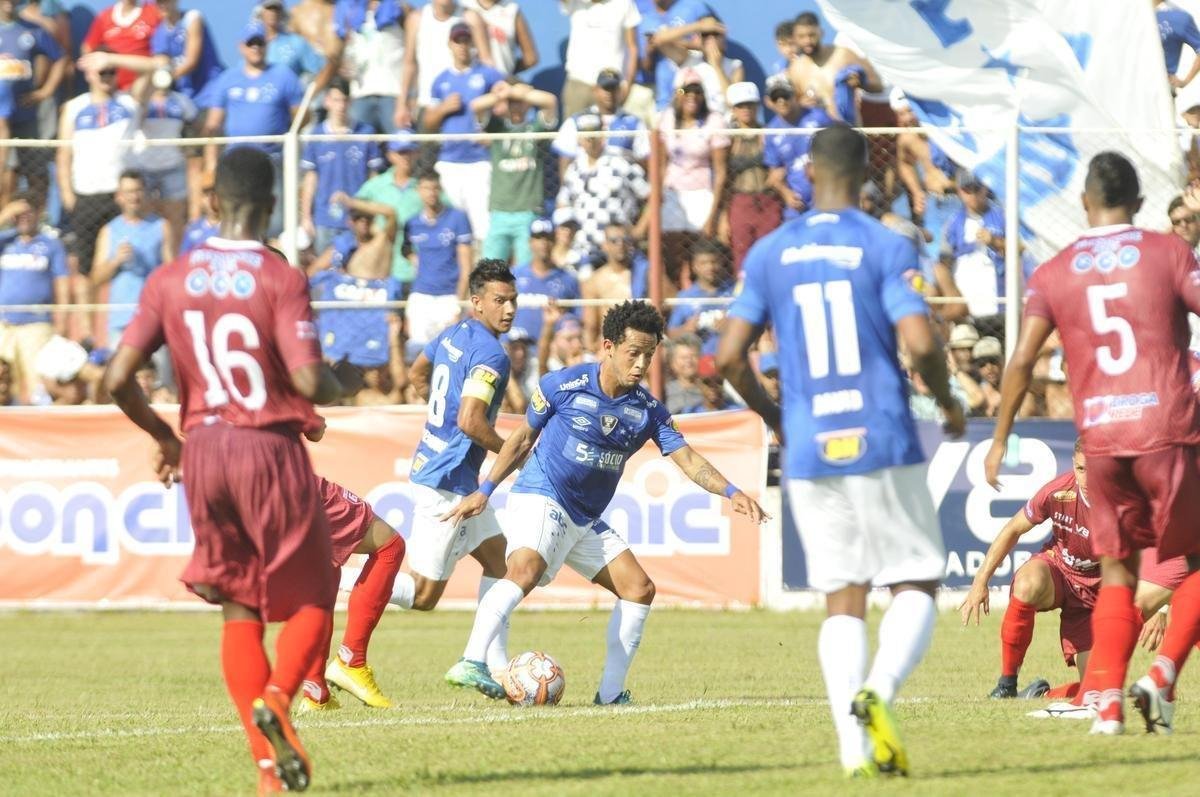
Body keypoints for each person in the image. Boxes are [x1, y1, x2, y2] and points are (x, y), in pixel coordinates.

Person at [102, 146, 358, 794]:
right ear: (271, 207)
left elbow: (114, 378)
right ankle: (278, 695)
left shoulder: (169, 276)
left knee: (238, 609)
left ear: (211, 202)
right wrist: (342, 381)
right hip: (266, 447)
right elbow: (306, 377)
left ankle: (269, 775)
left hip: (205, 451)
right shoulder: (279, 276)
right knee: (313, 599)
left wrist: (167, 434)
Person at [717, 125, 966, 777]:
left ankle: (851, 753)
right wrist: (946, 402)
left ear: (807, 172)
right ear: (865, 173)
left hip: (811, 449)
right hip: (882, 432)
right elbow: (921, 338)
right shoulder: (883, 242)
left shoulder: (770, 253)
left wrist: (777, 416)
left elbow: (726, 356)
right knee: (916, 578)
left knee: (843, 596)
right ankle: (879, 690)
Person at [441, 299, 768, 701]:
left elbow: (687, 458)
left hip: (583, 516)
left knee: (639, 588)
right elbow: (521, 439)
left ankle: (611, 695)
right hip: (542, 494)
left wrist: (732, 491)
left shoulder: (648, 410)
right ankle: (472, 660)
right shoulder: (562, 385)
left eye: (648, 355)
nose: (641, 364)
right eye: (634, 353)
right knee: (524, 569)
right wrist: (485, 490)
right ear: (608, 346)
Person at [983, 150, 1200, 736]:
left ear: (1084, 203)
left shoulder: (1053, 271)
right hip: (1167, 427)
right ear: (1141, 202)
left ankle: (1105, 701)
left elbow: (1023, 358)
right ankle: (1161, 676)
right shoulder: (1168, 252)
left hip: (1101, 440)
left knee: (1117, 571)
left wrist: (999, 438)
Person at [962, 441, 1185, 708]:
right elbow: (1013, 529)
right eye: (1080, 468)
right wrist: (980, 581)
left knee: (1097, 688)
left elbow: (1169, 550)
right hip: (1060, 573)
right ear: (1073, 465)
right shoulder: (1058, 491)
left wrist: (1161, 609)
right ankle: (1006, 684)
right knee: (1027, 584)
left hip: (1100, 596)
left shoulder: (1127, 501)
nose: (1087, 477)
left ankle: (1041, 695)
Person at [382, 261, 517, 676]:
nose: (509, 309)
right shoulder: (492, 354)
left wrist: (436, 416)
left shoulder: (453, 332)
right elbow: (470, 422)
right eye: (500, 301)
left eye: (513, 300)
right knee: (423, 596)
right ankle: (331, 580)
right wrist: (511, 449)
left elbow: (417, 373)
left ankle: (490, 666)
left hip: (443, 471)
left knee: (502, 565)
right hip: (447, 482)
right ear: (477, 302)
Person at [298, 470, 406, 712]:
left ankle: (316, 693)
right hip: (282, 479)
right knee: (390, 546)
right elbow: (314, 430)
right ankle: (351, 660)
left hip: (243, 493)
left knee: (323, 570)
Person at [200, 21, 305, 239]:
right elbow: (213, 124)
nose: (255, 48)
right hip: (235, 160)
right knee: (233, 213)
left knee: (274, 219)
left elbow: (301, 114)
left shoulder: (283, 75)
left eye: (259, 43)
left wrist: (286, 134)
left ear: (266, 45)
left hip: (272, 159)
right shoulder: (228, 79)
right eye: (251, 44)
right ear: (241, 47)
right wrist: (210, 162)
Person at [57, 56, 136, 332]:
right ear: (89, 73)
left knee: (125, 261)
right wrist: (68, 194)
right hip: (86, 194)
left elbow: (158, 67)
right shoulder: (74, 107)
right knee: (84, 268)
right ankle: (88, 332)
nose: (107, 76)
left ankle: (123, 324)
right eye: (101, 71)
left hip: (120, 196)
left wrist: (111, 58)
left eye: (112, 71)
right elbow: (63, 154)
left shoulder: (128, 104)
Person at [424, 22, 505, 242]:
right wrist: (443, 108)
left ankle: (484, 273)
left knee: (483, 226)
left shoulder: (488, 75)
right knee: (452, 225)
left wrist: (491, 130)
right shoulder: (441, 81)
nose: (462, 46)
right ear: (449, 44)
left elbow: (507, 101)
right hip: (449, 159)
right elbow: (428, 122)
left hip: (479, 160)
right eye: (457, 41)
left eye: (466, 41)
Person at [474, 78, 556, 266]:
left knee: (525, 270)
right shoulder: (497, 128)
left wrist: (521, 93)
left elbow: (550, 101)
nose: (516, 107)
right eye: (511, 103)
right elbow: (476, 106)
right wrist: (504, 93)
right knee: (490, 271)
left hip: (528, 211)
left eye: (519, 102)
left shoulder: (535, 128)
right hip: (499, 212)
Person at [301, 77, 384, 255]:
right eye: (336, 100)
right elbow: (310, 179)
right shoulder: (316, 135)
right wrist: (306, 216)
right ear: (327, 101)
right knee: (324, 274)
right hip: (324, 219)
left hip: (357, 220)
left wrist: (372, 213)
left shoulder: (365, 133)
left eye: (344, 100)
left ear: (351, 102)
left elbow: (374, 178)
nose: (341, 106)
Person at [355, 131, 449, 287]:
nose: (406, 156)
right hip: (383, 263)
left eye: (410, 151)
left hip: (416, 262)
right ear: (390, 155)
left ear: (417, 153)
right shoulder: (376, 185)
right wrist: (372, 232)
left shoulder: (425, 186)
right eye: (401, 152)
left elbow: (447, 208)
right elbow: (356, 212)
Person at [658, 69, 728, 280]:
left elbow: (722, 170)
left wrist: (715, 212)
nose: (692, 97)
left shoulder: (714, 120)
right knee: (672, 253)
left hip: (702, 191)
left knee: (703, 250)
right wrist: (659, 196)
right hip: (672, 192)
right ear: (677, 93)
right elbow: (661, 163)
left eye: (697, 91)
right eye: (686, 91)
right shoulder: (667, 118)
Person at [91, 169, 173, 346]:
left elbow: (171, 273)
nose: (134, 197)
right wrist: (115, 261)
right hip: (120, 319)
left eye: (138, 191)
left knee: (159, 372)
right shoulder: (109, 231)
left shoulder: (161, 227)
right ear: (118, 197)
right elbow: (96, 278)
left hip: (153, 316)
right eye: (128, 192)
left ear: (145, 193)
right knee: (120, 373)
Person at [0, 194, 68, 404]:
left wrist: (63, 322)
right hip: (3, 324)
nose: (24, 218)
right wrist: (4, 215)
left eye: (29, 213)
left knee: (36, 385)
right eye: (19, 214)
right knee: (4, 382)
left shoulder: (51, 245)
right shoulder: (5, 241)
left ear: (39, 214)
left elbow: (62, 283)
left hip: (36, 325)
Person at [557, 112, 651, 260]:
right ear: (579, 138)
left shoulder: (621, 162)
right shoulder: (574, 169)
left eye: (594, 132)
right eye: (585, 134)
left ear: (603, 134)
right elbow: (562, 204)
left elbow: (652, 197)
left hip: (618, 249)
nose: (590, 138)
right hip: (583, 249)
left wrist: (639, 230)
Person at [403, 170, 473, 348]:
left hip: (449, 296)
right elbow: (405, 249)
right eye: (426, 188)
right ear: (418, 190)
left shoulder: (457, 218)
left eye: (435, 188)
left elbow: (466, 266)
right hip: (422, 296)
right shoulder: (412, 223)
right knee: (417, 351)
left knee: (450, 352)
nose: (431, 193)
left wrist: (459, 304)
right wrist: (416, 262)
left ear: (440, 189)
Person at [399, 0, 491, 129]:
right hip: (427, 105)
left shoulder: (471, 17)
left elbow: (486, 60)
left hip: (466, 106)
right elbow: (409, 64)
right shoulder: (416, 19)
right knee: (427, 148)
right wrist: (401, 104)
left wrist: (493, 96)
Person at [933, 170, 1006, 332]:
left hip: (997, 304)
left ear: (985, 189)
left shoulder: (1002, 217)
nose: (972, 195)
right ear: (959, 191)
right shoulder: (952, 223)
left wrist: (995, 241)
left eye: (977, 189)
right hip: (967, 307)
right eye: (967, 190)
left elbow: (1021, 250)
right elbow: (943, 263)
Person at [724, 81, 781, 272]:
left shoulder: (769, 134)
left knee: (770, 253)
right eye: (741, 105)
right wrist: (724, 215)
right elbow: (723, 178)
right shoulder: (727, 138)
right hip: (740, 200)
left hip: (767, 199)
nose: (746, 109)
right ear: (733, 108)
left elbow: (781, 166)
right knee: (741, 254)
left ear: (757, 106)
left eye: (750, 104)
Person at [764, 74, 834, 222]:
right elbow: (774, 173)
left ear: (795, 95)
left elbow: (840, 149)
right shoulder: (771, 131)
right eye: (776, 97)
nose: (781, 101)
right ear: (769, 102)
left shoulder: (819, 117)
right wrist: (786, 194)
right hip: (797, 206)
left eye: (785, 95)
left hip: (827, 198)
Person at [553, 68, 649, 173]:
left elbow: (644, 160)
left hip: (622, 183)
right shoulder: (576, 121)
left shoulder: (633, 123)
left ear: (620, 90)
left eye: (613, 88)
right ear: (596, 90)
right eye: (605, 88)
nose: (609, 93)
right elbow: (565, 162)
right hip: (585, 183)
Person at [334, 0, 408, 134]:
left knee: (400, 146)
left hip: (393, 93)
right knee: (359, 148)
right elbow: (344, 52)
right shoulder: (351, 14)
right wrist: (344, 67)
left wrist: (407, 99)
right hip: (361, 94)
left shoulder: (400, 10)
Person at [560, 0, 641, 118]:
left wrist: (628, 85)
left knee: (612, 135)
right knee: (574, 134)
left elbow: (633, 48)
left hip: (611, 85)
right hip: (578, 84)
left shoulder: (624, 3)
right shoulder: (575, 2)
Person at [510, 217, 580, 343]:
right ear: (530, 242)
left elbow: (577, 318)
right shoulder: (513, 276)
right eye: (538, 238)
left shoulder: (568, 279)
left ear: (554, 242)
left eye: (548, 238)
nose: (543, 243)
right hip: (515, 352)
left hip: (552, 355)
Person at [581, 221, 649, 350]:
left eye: (625, 239)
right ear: (604, 245)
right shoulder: (594, 281)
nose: (620, 245)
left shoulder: (644, 272)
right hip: (609, 343)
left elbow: (668, 299)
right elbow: (590, 326)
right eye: (614, 240)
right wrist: (593, 348)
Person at [149, 0, 223, 101]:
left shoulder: (192, 18)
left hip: (211, 91)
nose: (162, 5)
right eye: (159, 2)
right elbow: (162, 62)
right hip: (186, 96)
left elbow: (191, 62)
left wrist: (165, 79)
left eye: (166, 1)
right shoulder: (159, 34)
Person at [667, 238, 731, 355]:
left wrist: (731, 326)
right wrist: (686, 329)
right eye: (703, 263)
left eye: (714, 262)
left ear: (722, 262)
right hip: (696, 360)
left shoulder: (735, 292)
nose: (710, 267)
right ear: (694, 266)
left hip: (729, 357)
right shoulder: (684, 297)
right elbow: (670, 333)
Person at [80, 0, 162, 90]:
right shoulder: (105, 16)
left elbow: (160, 59)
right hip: (112, 91)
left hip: (144, 89)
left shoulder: (153, 13)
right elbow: (88, 47)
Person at [460, 0, 538, 77]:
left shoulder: (511, 9)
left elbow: (530, 59)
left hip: (499, 84)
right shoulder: (462, 6)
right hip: (468, 82)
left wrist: (508, 70)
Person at [259, 0, 325, 80]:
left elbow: (321, 70)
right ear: (261, 12)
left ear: (282, 13)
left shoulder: (297, 42)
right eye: (269, 8)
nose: (273, 12)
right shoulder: (251, 46)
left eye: (277, 9)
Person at [1157, 1, 1200, 90]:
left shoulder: (1180, 18)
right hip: (1128, 84)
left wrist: (1185, 81)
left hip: (1161, 88)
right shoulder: (1129, 14)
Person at [180, 169, 218, 255]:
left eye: (215, 193)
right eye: (206, 194)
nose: (211, 199)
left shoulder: (234, 230)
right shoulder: (191, 230)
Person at [665, 334, 702, 414]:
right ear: (672, 363)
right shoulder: (664, 392)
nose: (689, 361)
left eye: (693, 356)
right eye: (683, 357)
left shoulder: (710, 389)